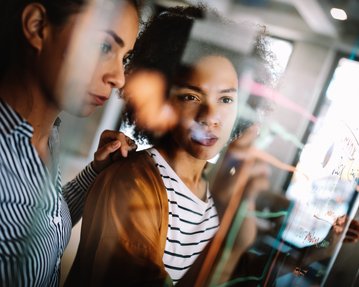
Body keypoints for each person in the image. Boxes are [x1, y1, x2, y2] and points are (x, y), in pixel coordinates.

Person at [65, 7, 270, 286]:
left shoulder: (213, 187)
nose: (211, 117)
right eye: (191, 96)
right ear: (162, 101)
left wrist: (322, 248)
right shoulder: (133, 184)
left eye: (225, 100)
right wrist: (228, 246)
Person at [0, 0, 142, 286]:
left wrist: (95, 172)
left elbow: (41, 217)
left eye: (124, 58)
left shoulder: (46, 137)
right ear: (38, 27)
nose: (118, 78)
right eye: (104, 47)